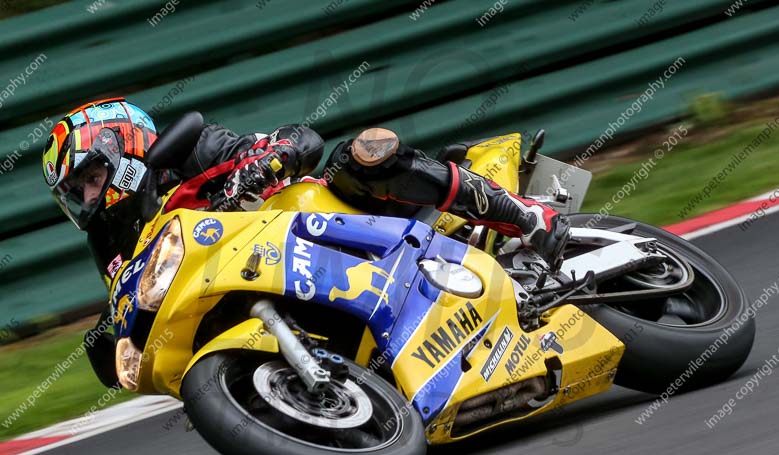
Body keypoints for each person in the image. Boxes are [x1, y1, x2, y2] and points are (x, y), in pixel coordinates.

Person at [42, 97, 569, 386]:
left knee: (360, 155)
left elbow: (299, 140)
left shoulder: (192, 152)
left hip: (326, 226)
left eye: (89, 177)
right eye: (75, 192)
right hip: (256, 287)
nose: (88, 197)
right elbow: (125, 296)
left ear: (122, 148)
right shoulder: (111, 240)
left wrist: (268, 160)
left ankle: (525, 214)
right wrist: (110, 339)